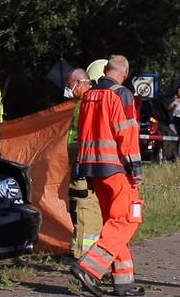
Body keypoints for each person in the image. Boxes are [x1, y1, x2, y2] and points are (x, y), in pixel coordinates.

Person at [70, 55, 145, 297]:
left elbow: (83, 132)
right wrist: (136, 167)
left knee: (114, 222)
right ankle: (89, 268)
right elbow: (127, 133)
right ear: (125, 72)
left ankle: (123, 282)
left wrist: (83, 167)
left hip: (93, 168)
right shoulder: (121, 94)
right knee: (127, 220)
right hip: (116, 168)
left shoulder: (89, 95)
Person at [65, 68, 103, 259]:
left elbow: (84, 135)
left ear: (80, 82)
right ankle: (87, 250)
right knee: (87, 205)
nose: (67, 89)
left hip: (82, 162)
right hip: (86, 162)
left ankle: (82, 252)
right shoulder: (86, 102)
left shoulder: (85, 103)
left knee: (82, 204)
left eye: (69, 84)